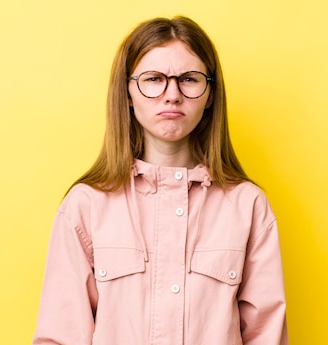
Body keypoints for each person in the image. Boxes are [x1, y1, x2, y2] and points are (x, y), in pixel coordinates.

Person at [32, 16, 288, 345]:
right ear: (127, 91)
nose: (172, 94)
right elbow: (61, 336)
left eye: (189, 79)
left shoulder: (248, 206)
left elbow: (266, 335)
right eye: (153, 79)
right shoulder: (85, 206)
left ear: (210, 94)